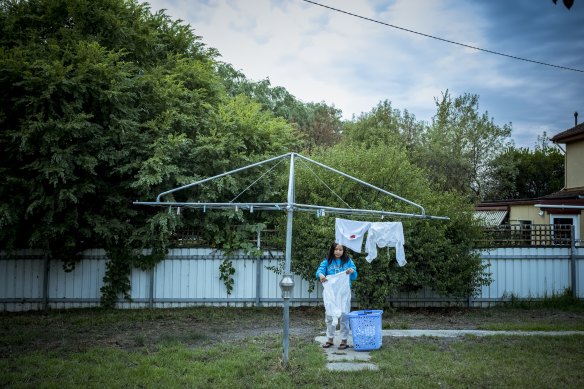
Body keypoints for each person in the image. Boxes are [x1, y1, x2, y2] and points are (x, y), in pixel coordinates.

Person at [315, 242, 357, 350]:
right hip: (331, 294)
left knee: (344, 316)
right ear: (332, 250)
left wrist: (352, 271)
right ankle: (330, 339)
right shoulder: (327, 261)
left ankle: (344, 340)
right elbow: (319, 271)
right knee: (329, 315)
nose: (338, 252)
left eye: (340, 249)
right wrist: (321, 275)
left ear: (344, 251)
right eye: (336, 249)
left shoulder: (348, 261)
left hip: (344, 294)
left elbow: (354, 276)